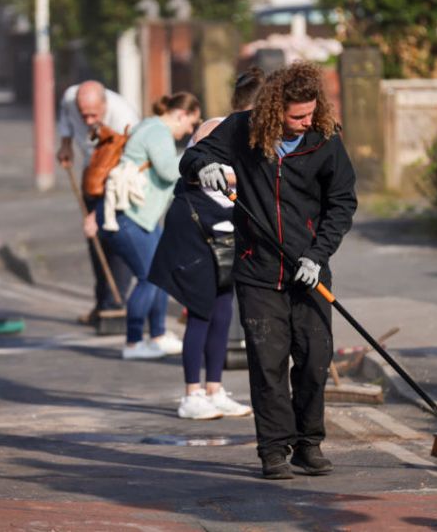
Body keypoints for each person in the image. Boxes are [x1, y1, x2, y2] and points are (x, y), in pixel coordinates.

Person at [181, 62, 358, 479]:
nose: (306, 121)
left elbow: (342, 203)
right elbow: (194, 156)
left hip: (309, 270)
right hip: (257, 270)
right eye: (297, 116)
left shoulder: (325, 139)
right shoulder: (243, 132)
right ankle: (274, 450)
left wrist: (318, 255)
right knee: (269, 363)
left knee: (315, 360)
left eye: (311, 113)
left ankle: (308, 444)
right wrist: (203, 167)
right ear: (275, 110)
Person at [150, 68, 265, 420]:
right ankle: (191, 395)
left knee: (222, 312)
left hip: (226, 233)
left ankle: (214, 389)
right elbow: (199, 167)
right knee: (200, 312)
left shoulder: (254, 136)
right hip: (195, 231)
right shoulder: (215, 128)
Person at [95, 92, 201, 359]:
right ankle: (133, 343)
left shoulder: (153, 127)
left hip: (142, 218)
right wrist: (195, 153)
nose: (189, 131)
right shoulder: (157, 131)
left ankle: (157, 335)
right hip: (129, 218)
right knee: (148, 278)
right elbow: (168, 169)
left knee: (160, 275)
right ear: (181, 114)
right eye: (191, 125)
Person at [57, 81, 140, 326]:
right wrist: (65, 146)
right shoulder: (70, 96)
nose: (90, 120)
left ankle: (116, 304)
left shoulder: (124, 116)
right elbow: (65, 120)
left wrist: (101, 213)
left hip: (119, 181)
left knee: (116, 239)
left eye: (94, 114)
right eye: (84, 115)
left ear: (105, 105)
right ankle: (101, 302)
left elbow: (127, 166)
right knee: (95, 244)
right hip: (89, 175)